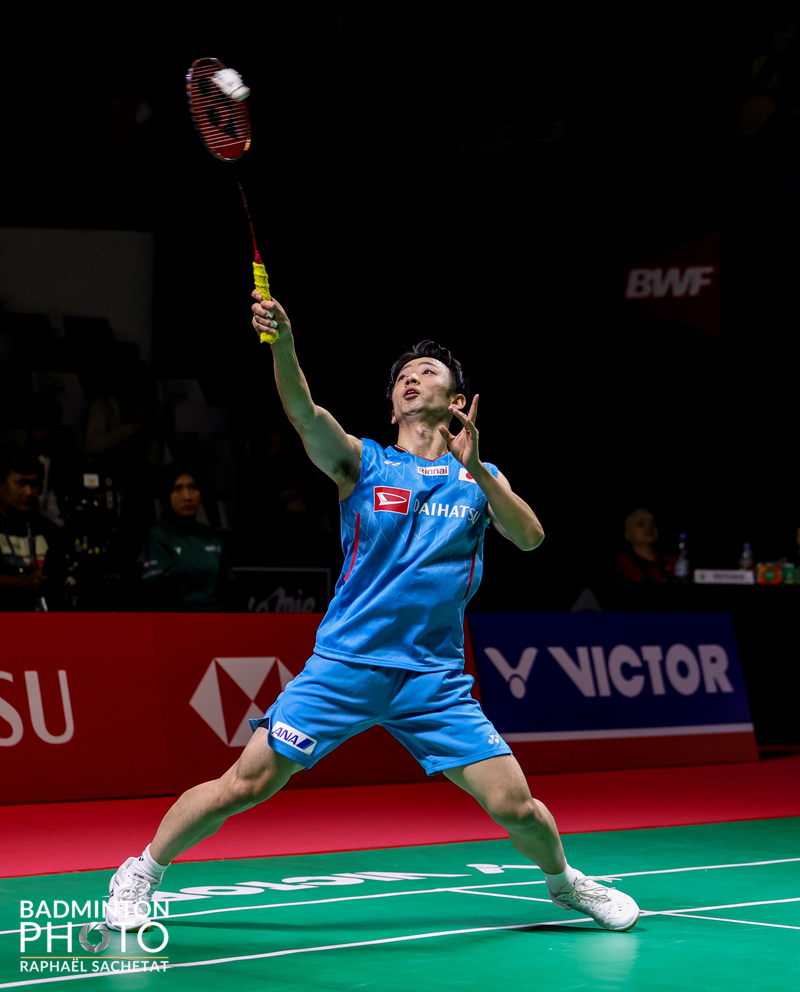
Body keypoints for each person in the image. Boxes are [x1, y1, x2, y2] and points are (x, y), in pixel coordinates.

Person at [106, 293, 639, 934]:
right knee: (246, 783)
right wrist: (283, 344)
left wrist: (478, 470)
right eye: (402, 377)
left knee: (516, 806)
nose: (411, 378)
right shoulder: (364, 464)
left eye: (427, 372)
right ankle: (140, 871)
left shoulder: (479, 478)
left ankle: (564, 883)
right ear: (392, 407)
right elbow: (304, 413)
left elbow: (530, 539)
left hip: (433, 679)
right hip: (346, 665)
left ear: (458, 402)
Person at [139, 464, 234, 612]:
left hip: (218, 618)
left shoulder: (210, 536)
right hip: (178, 619)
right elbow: (158, 592)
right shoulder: (156, 536)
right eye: (178, 488)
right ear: (166, 494)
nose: (187, 496)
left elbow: (229, 586)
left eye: (192, 487)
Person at [0, 449, 65, 611]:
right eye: (21, 483)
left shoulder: (50, 530)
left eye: (34, 485)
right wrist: (21, 584)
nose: (29, 492)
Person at [611, 508, 676, 583]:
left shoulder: (673, 561)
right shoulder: (620, 563)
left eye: (653, 523)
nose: (649, 527)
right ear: (627, 534)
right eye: (641, 524)